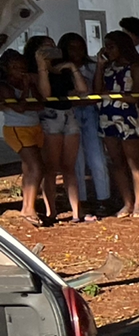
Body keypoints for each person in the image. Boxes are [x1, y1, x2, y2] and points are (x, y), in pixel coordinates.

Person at [29, 36, 90, 223]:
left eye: (53, 46)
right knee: (51, 167)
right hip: (49, 117)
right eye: (46, 47)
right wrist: (42, 66)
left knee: (69, 167)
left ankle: (76, 212)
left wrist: (72, 68)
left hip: (68, 116)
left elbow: (82, 90)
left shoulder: (63, 70)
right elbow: (46, 94)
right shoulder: (34, 72)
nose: (51, 49)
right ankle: (51, 211)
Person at [94, 30, 139, 217]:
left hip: (128, 116)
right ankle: (127, 202)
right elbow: (96, 90)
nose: (107, 50)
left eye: (111, 46)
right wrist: (100, 67)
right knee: (116, 161)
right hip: (107, 115)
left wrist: (111, 95)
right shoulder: (109, 66)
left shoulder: (136, 66)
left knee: (133, 160)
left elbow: (136, 95)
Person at [61, 33, 112, 214]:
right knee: (76, 160)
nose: (77, 51)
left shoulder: (92, 66)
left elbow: (95, 91)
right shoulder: (61, 68)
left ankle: (103, 198)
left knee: (96, 156)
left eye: (80, 47)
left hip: (91, 112)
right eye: (72, 48)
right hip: (71, 113)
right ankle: (81, 200)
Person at [3, 49, 48, 225]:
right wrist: (26, 89)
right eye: (14, 67)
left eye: (22, 67)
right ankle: (30, 208)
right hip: (17, 128)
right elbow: (20, 107)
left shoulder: (29, 83)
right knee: (38, 167)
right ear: (7, 69)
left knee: (29, 169)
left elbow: (40, 104)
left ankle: (26, 207)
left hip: (34, 126)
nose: (19, 70)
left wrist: (30, 87)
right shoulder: (5, 86)